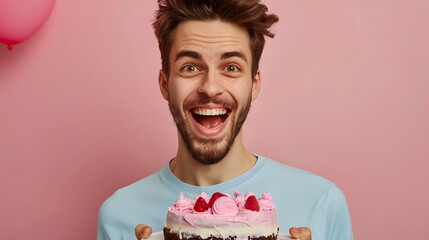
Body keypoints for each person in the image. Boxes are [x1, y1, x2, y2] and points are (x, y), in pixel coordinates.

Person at [97, 0, 353, 240]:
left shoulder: (322, 203)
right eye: (190, 67)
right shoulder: (119, 215)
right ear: (165, 84)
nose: (210, 88)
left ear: (253, 85)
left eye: (231, 67)